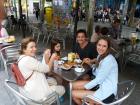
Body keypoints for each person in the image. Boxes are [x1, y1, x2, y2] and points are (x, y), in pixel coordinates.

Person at [72, 36, 118, 105]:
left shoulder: (109, 60)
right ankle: (85, 101)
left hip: (106, 92)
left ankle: (87, 102)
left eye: (104, 46)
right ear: (96, 45)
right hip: (99, 85)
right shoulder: (101, 55)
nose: (101, 48)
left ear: (107, 48)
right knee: (72, 85)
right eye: (99, 45)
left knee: (73, 93)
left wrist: (83, 87)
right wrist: (90, 63)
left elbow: (98, 80)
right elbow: (98, 71)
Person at [18, 37, 65, 101]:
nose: (35, 49)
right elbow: (47, 69)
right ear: (24, 49)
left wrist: (46, 57)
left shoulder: (21, 58)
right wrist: (52, 57)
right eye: (31, 47)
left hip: (31, 85)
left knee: (54, 81)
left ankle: (53, 93)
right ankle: (50, 99)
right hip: (38, 95)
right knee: (62, 89)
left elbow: (40, 67)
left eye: (35, 46)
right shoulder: (28, 60)